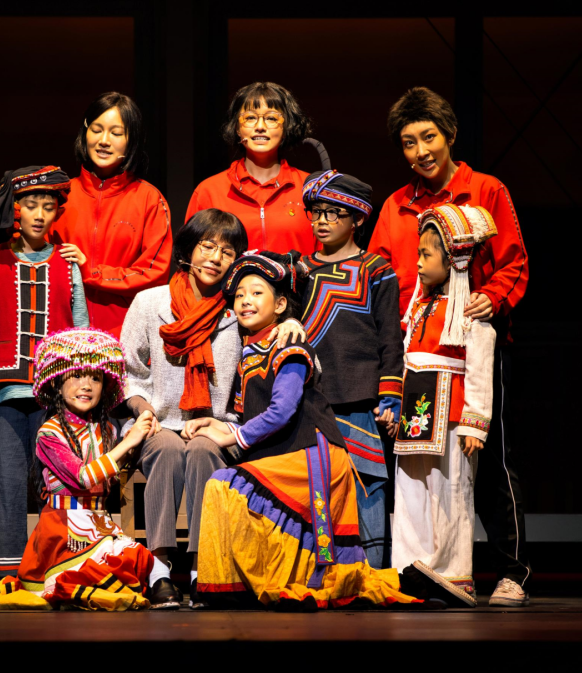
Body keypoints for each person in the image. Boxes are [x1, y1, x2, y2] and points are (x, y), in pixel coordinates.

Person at [186, 251, 471, 610]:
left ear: (280, 305)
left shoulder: (288, 345)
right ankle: (241, 585)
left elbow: (282, 411)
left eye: (257, 293)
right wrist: (217, 424)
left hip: (311, 456)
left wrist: (230, 436)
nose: (246, 300)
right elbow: (252, 418)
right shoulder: (250, 352)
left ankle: (229, 588)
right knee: (230, 491)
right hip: (285, 455)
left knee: (224, 484)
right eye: (240, 294)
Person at [368, 86, 532, 606]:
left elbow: (515, 262)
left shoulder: (485, 190)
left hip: (472, 345)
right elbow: (379, 277)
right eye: (409, 142)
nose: (420, 151)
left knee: (487, 457)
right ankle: (427, 568)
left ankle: (512, 571)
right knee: (419, 464)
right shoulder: (396, 205)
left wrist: (491, 297)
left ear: (451, 135)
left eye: (429, 137)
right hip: (415, 351)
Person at [118, 209, 306, 609]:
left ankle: (205, 567)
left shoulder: (236, 310)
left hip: (218, 427)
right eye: (207, 246)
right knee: (167, 448)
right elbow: (127, 372)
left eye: (227, 251)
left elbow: (273, 331)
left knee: (204, 449)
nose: (215, 258)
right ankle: (159, 569)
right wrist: (141, 409)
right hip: (158, 423)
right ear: (189, 250)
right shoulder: (149, 303)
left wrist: (293, 323)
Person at [0, 328, 158, 611]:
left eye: (95, 378)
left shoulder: (106, 430)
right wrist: (129, 442)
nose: (86, 385)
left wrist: (138, 434)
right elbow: (84, 477)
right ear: (58, 385)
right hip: (63, 529)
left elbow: (112, 471)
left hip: (98, 522)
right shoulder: (49, 434)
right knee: (89, 578)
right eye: (76, 376)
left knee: (140, 559)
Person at [0, 165, 88, 578]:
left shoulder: (67, 264)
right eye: (31, 205)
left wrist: (80, 389)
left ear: (57, 213)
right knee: (7, 480)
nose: (39, 214)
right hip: (5, 392)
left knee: (55, 481)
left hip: (54, 394)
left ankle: (56, 566)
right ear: (16, 210)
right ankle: (5, 570)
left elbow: (81, 330)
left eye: (47, 207)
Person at [0, 92, 172, 337]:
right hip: (60, 335)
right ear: (85, 131)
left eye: (116, 133)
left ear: (132, 140)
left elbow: (154, 274)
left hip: (125, 335)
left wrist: (91, 271)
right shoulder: (59, 197)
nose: (104, 140)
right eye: (96, 129)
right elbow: (26, 255)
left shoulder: (150, 199)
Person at [391, 204, 498, 607]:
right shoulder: (420, 306)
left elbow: (479, 368)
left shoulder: (469, 311)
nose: (418, 263)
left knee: (450, 493)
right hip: (416, 414)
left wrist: (474, 423)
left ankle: (453, 572)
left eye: (426, 254)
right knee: (411, 491)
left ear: (453, 258)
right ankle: (411, 567)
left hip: (451, 417)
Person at [298, 169, 403, 569]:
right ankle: (322, 571)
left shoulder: (376, 269)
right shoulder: (299, 271)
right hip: (310, 399)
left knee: (367, 483)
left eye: (333, 213)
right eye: (315, 212)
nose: (321, 221)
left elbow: (390, 337)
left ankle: (371, 572)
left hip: (360, 398)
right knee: (316, 487)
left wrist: (390, 395)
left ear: (357, 218)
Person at [185, 82, 317, 254]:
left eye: (271, 118)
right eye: (250, 118)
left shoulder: (310, 189)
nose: (260, 127)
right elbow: (192, 258)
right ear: (237, 128)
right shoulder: (209, 191)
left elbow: (330, 257)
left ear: (286, 127)